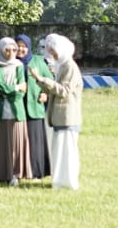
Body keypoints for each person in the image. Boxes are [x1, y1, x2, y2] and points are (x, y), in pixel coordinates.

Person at [32, 33, 84, 190]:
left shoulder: (69, 66)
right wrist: (41, 81)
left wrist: (43, 79)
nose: (52, 54)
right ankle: (59, 181)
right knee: (59, 151)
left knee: (66, 152)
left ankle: (66, 182)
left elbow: (65, 91)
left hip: (67, 116)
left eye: (54, 51)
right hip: (60, 116)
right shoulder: (62, 65)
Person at [0, 37, 31, 186]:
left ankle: (15, 173)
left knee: (15, 143)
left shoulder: (19, 65)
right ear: (0, 49)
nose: (11, 52)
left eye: (14, 49)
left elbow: (23, 90)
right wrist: (14, 88)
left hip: (16, 109)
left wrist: (14, 90)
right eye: (7, 49)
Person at [18, 34, 54, 180]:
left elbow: (50, 82)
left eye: (23, 46)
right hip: (18, 108)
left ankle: (37, 171)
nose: (20, 49)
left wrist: (46, 95)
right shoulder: (12, 62)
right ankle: (20, 170)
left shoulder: (38, 61)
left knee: (35, 141)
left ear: (28, 47)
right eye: (18, 46)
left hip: (35, 106)